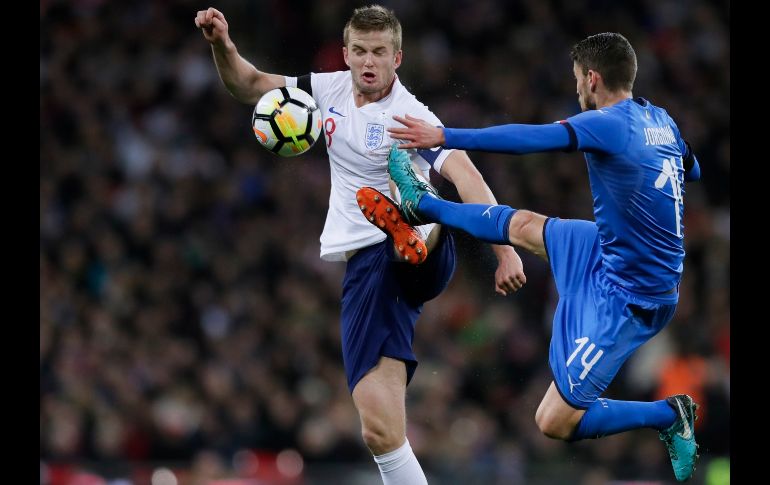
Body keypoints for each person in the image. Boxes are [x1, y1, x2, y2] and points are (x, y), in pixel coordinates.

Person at [195, 5, 526, 484]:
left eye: (380, 53)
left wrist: (506, 251)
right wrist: (221, 45)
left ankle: (414, 216)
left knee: (413, 211)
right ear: (346, 54)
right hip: (367, 272)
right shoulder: (326, 89)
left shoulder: (410, 115)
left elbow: (466, 174)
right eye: (361, 51)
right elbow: (247, 85)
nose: (369, 61)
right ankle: (405, 222)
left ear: (398, 58)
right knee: (379, 430)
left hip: (421, 255)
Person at [385, 32, 701, 482]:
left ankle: (669, 415)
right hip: (611, 250)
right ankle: (424, 203)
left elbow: (529, 139)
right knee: (523, 227)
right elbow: (694, 167)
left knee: (553, 421)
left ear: (592, 79)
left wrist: (444, 135)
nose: (576, 90)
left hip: (632, 297)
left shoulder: (609, 123)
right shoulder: (660, 119)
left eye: (576, 80)